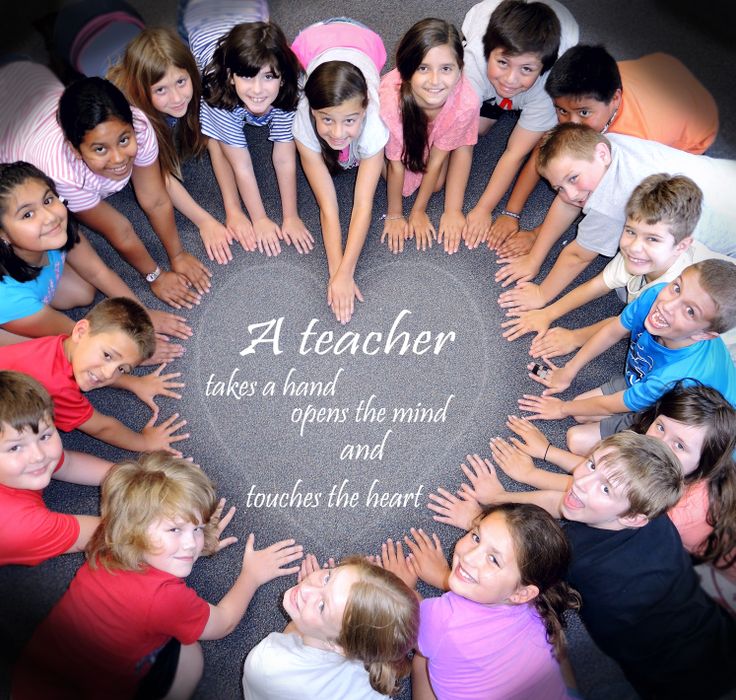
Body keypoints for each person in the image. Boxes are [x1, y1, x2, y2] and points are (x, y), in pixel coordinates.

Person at [432, 432, 736, 700]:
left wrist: (476, 521)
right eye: (591, 465)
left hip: (687, 685)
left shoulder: (581, 561)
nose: (581, 483)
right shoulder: (650, 515)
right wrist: (498, 499)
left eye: (605, 489)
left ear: (633, 518)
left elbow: (506, 579)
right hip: (718, 637)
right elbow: (568, 503)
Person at [12, 452, 303, 699]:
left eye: (198, 528)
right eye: (175, 530)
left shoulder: (107, 538)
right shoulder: (164, 599)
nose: (192, 543)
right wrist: (251, 575)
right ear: (134, 531)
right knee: (190, 655)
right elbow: (223, 624)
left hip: (31, 682)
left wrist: (185, 539)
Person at [431, 383, 736, 603]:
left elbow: (559, 543)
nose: (659, 443)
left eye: (679, 445)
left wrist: (483, 520)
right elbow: (596, 483)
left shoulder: (667, 511)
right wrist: (544, 457)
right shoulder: (659, 471)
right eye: (660, 428)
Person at [0, 61, 211, 310]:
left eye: (124, 139)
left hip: (29, 76)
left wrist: (177, 255)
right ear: (74, 149)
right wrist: (155, 275)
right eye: (100, 149)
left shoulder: (140, 126)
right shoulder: (62, 175)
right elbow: (119, 230)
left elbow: (155, 199)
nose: (119, 158)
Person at [492, 45, 719, 254]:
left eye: (583, 113)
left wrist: (536, 235)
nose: (571, 123)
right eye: (561, 111)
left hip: (696, 128)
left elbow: (602, 199)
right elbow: (546, 150)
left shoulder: (636, 140)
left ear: (615, 98)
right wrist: (511, 213)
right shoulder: (586, 94)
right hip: (663, 67)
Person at [495, 124, 736, 312]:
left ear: (601, 154)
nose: (570, 193)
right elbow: (568, 201)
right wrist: (535, 257)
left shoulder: (612, 198)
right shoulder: (605, 145)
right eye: (559, 187)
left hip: (724, 245)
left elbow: (578, 256)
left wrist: (541, 294)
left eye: (573, 179)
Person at [501, 174, 735, 360]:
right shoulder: (643, 256)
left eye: (652, 239)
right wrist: (547, 313)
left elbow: (626, 324)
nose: (634, 247)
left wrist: (574, 337)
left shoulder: (673, 290)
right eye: (631, 231)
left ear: (681, 246)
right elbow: (598, 284)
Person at [517, 260, 736, 452]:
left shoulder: (677, 378)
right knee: (581, 411)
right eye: (677, 288)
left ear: (704, 334)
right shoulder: (656, 295)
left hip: (678, 419)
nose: (667, 306)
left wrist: (561, 408)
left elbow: (611, 405)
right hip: (646, 377)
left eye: (690, 311)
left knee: (577, 440)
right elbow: (613, 330)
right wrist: (569, 370)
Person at [380, 503, 578, 700]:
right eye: (476, 537)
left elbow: (412, 623)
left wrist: (402, 587)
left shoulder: (441, 619)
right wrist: (442, 575)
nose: (469, 557)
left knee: (422, 659)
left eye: (493, 559)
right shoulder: (537, 605)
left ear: (522, 593)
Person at [0, 160, 191, 362]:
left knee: (83, 292)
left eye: (48, 200)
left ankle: (36, 303)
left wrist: (141, 316)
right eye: (27, 214)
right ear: (3, 234)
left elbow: (98, 272)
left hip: (25, 278)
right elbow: (78, 337)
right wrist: (131, 355)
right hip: (10, 306)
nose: (49, 217)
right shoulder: (8, 298)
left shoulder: (55, 231)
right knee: (39, 356)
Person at [184, 0, 313, 258]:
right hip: (202, 16)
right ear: (232, 76)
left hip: (246, 11)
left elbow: (284, 156)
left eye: (268, 77)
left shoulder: (294, 84)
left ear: (283, 77)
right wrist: (260, 219)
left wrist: (291, 216)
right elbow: (240, 164)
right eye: (247, 77)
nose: (257, 90)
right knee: (216, 138)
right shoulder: (216, 85)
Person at [108, 27, 238, 265]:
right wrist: (204, 221)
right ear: (142, 92)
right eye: (161, 90)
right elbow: (159, 178)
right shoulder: (132, 121)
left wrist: (234, 211)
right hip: (80, 38)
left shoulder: (198, 80)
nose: (177, 98)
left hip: (122, 24)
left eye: (180, 81)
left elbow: (215, 142)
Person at [290, 18, 389, 324]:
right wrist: (336, 273)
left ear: (364, 109)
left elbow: (363, 204)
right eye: (327, 120)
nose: (336, 132)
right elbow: (328, 206)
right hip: (315, 40)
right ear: (313, 112)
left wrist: (347, 272)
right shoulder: (304, 122)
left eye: (349, 120)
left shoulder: (374, 121)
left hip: (366, 40)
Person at [0, 297, 188, 454]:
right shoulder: (57, 387)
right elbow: (102, 428)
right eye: (107, 355)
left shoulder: (66, 344)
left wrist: (134, 382)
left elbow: (96, 367)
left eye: (122, 369)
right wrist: (146, 443)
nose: (108, 373)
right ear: (80, 331)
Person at [460, 0, 578, 247]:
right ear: (489, 52)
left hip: (537, 89)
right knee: (474, 130)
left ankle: (507, 101)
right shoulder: (475, 63)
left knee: (534, 127)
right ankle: (501, 101)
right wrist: (455, 209)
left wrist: (484, 209)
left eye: (526, 69)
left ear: (543, 68)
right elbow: (463, 139)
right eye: (503, 62)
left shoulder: (550, 86)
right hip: (484, 54)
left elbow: (515, 153)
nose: (510, 80)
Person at [242, 553, 418, 699]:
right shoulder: (375, 691)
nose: (306, 589)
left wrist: (299, 622)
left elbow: (292, 632)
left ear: (338, 646)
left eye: (322, 607)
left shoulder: (266, 663)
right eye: (327, 577)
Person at [379, 18, 479, 255]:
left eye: (446, 68)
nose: (435, 81)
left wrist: (418, 211)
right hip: (403, 123)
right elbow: (395, 165)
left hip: (439, 129)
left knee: (435, 185)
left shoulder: (466, 101)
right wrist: (395, 214)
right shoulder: (391, 103)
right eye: (423, 68)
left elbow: (436, 160)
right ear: (406, 70)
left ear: (460, 69)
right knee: (395, 180)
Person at [0, 370, 110, 566]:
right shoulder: (21, 526)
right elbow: (120, 535)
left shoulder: (27, 461)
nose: (39, 455)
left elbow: (68, 464)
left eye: (44, 436)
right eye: (15, 447)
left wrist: (141, 476)